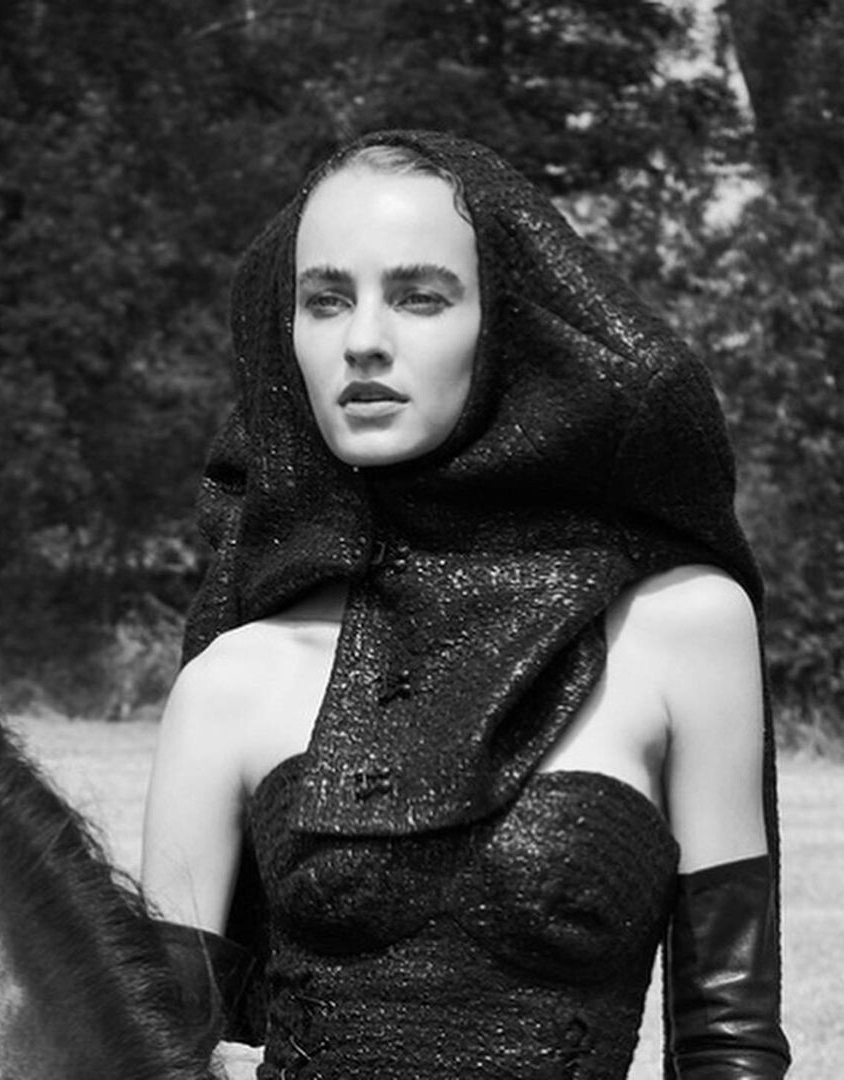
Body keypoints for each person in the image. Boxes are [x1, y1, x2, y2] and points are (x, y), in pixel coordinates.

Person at [141, 130, 791, 1079]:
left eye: (420, 296)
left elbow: (730, 1044)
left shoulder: (684, 628)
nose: (363, 339)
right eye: (325, 300)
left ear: (507, 326)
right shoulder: (228, 685)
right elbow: (155, 1056)